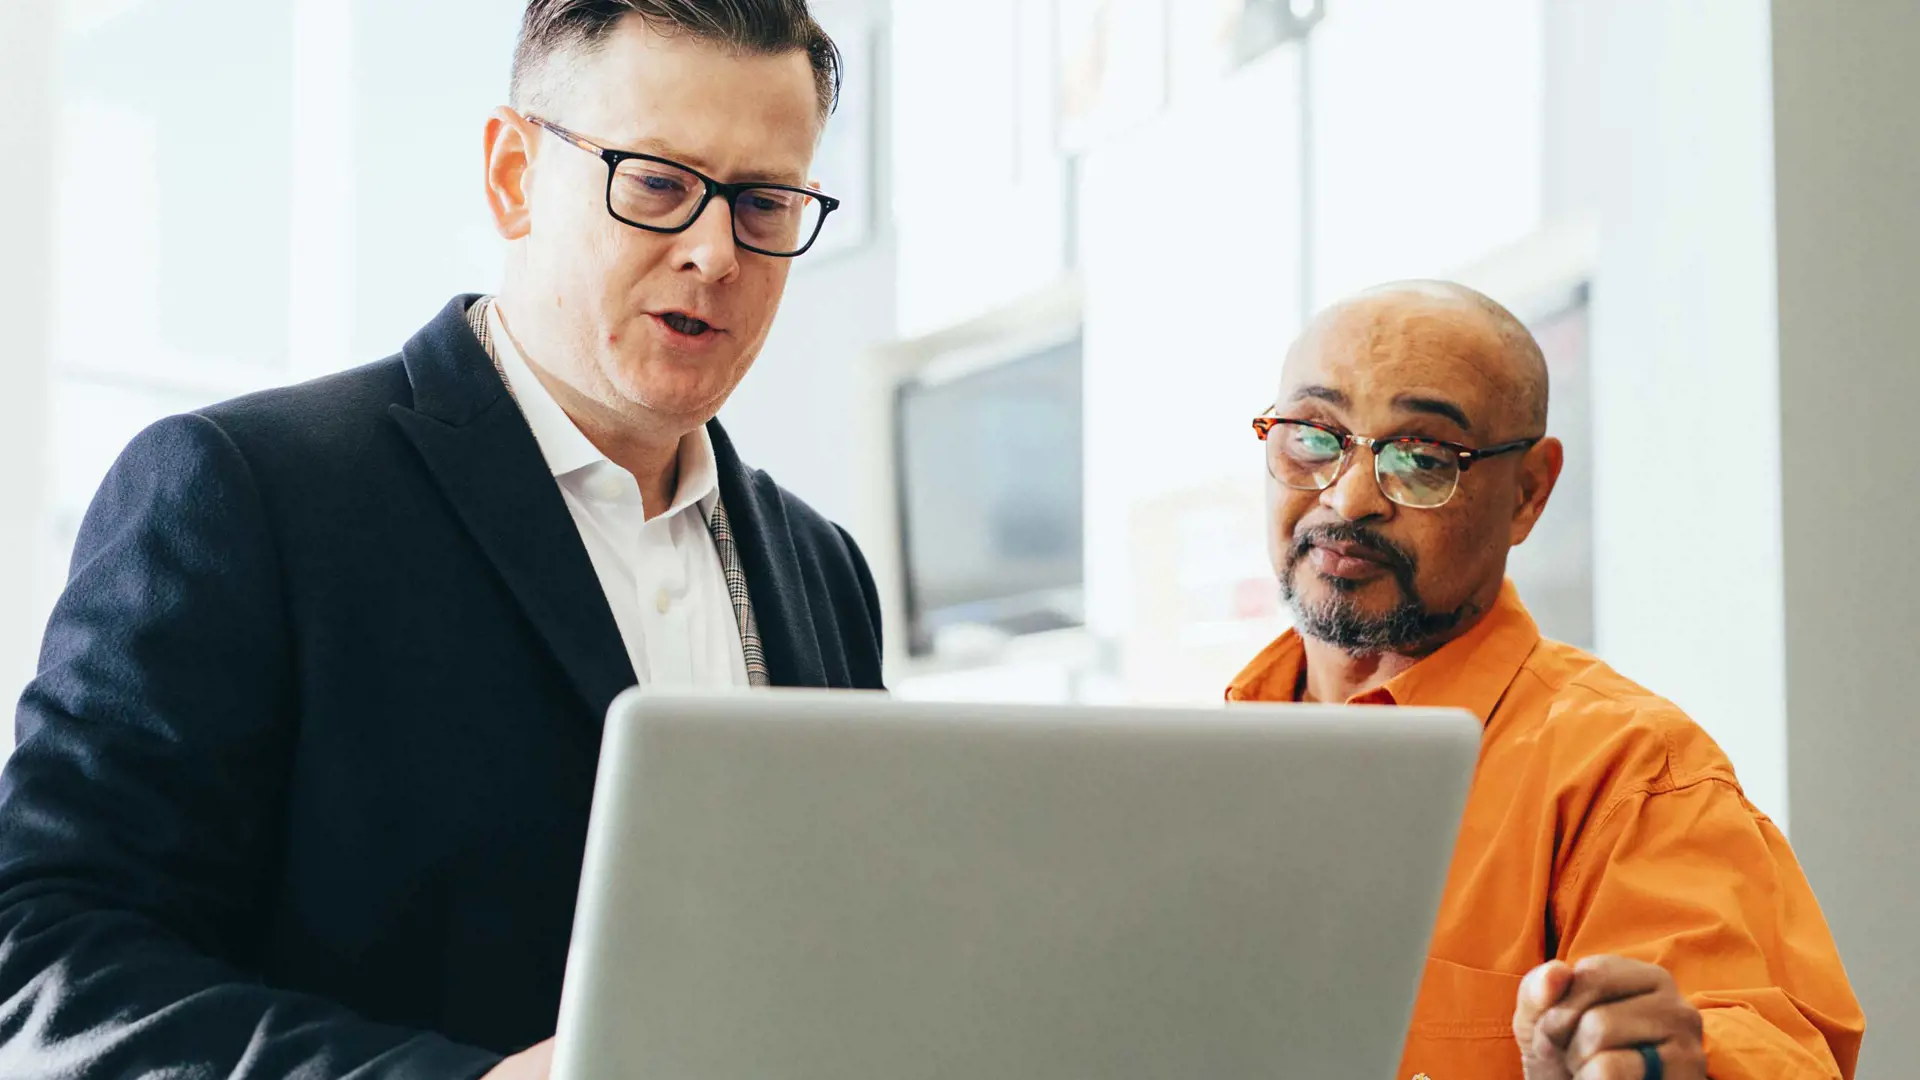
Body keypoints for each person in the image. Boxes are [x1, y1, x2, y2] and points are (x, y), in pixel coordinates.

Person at [0, 3, 878, 1077]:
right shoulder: (241, 492)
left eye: (765, 202)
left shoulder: (823, 570)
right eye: (655, 184)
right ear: (513, 174)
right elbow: (44, 967)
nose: (714, 253)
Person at [1229, 281, 1864, 1080]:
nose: (1349, 498)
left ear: (1528, 493)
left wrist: (1674, 1065)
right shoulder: (1202, 759)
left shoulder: (1633, 770)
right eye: (1315, 437)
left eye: (1423, 459)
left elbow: (1754, 1042)